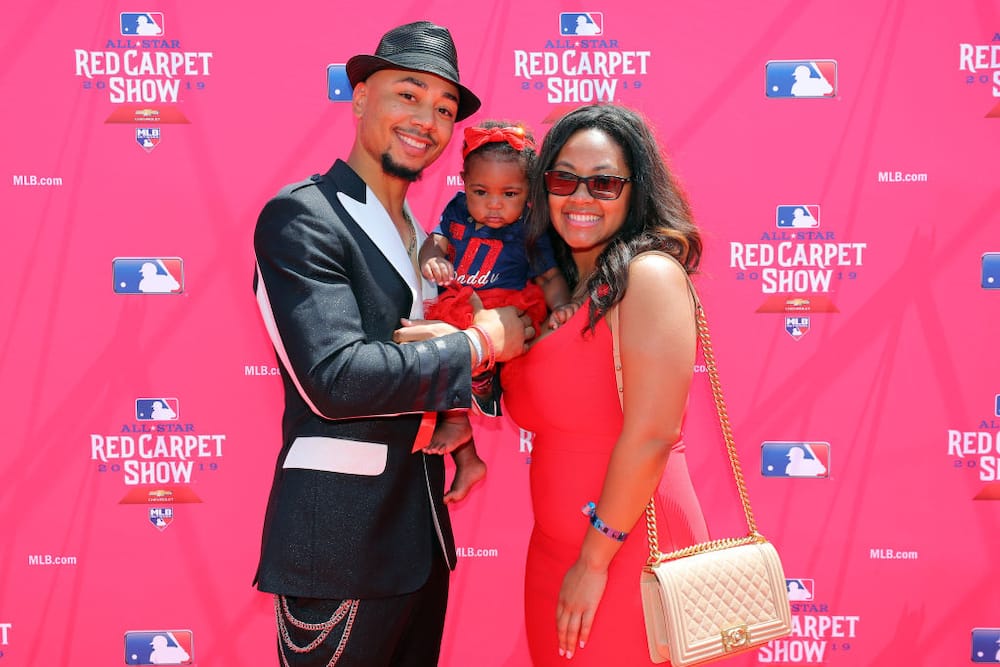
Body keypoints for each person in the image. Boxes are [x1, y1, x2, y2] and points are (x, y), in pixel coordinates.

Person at [251, 20, 533, 667]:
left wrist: (478, 374)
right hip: (340, 551)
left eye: (442, 108)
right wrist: (479, 343)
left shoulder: (424, 234)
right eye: (408, 94)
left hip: (421, 535)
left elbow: (439, 362)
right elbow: (337, 377)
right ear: (358, 98)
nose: (427, 119)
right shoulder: (303, 216)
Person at [500, 103, 711, 664]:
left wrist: (594, 561)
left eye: (605, 182)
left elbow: (652, 434)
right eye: (564, 178)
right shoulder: (562, 289)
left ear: (635, 190)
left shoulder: (650, 275)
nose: (581, 197)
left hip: (630, 551)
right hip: (552, 552)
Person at [417, 120, 575, 503]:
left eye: (509, 193)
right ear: (463, 184)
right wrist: (432, 258)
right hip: (462, 305)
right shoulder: (456, 211)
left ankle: (470, 412)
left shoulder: (529, 230)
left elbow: (550, 275)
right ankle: (468, 457)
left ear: (528, 194)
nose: (493, 204)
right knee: (432, 357)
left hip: (509, 310)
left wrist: (562, 307)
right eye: (480, 191)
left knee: (463, 354)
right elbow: (433, 242)